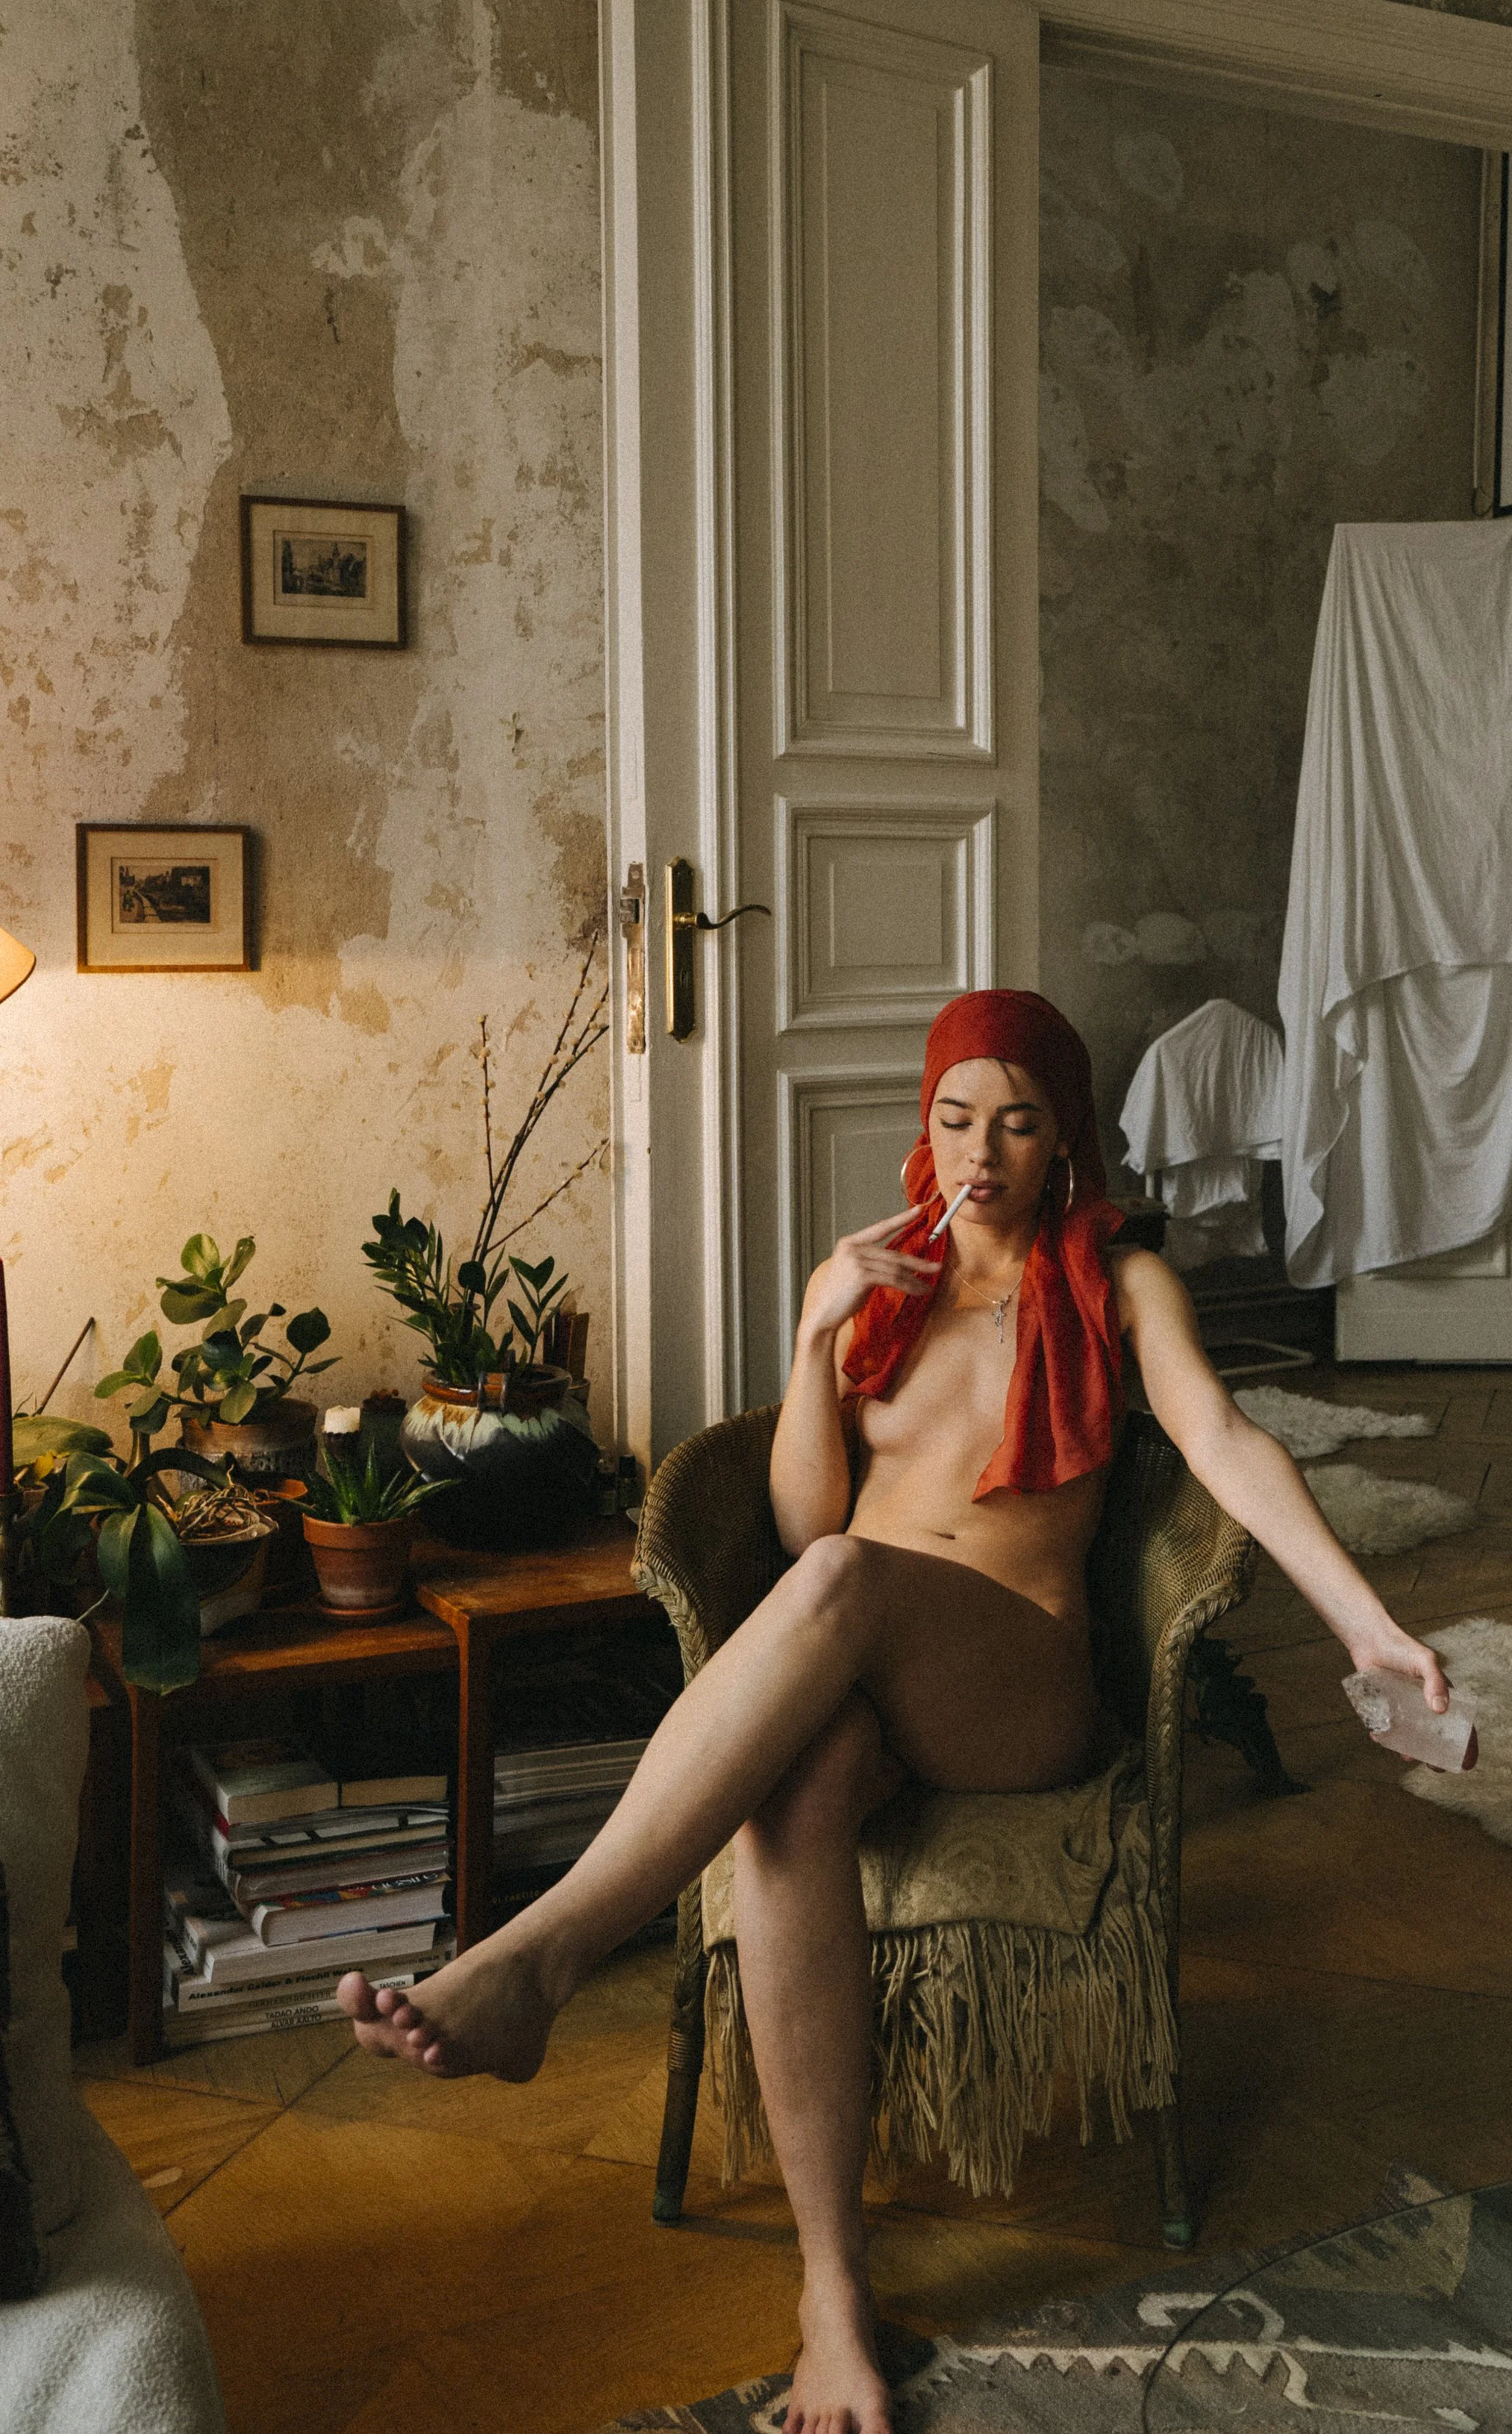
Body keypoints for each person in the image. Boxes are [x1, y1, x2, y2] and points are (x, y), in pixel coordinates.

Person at [340, 989, 1448, 2434]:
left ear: (1063, 1138)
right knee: (792, 1800)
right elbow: (805, 1518)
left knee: (846, 1582)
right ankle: (831, 2293)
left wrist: (1367, 1622)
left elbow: (1229, 1444)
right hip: (857, 1649)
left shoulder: (1116, 1282)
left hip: (1015, 1687)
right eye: (952, 1117)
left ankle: (544, 1954)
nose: (978, 1152)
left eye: (1016, 1120)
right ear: (922, 1126)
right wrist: (812, 1339)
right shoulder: (880, 1279)